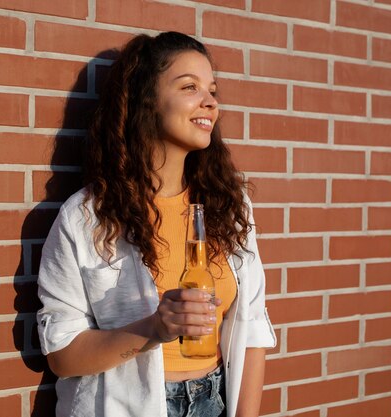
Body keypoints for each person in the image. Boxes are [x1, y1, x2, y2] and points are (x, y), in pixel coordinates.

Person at [36, 31, 276, 417]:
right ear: (147, 100)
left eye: (212, 90)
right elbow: (62, 355)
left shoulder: (230, 206)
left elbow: (252, 329)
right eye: (190, 87)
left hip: (213, 401)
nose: (210, 102)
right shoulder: (86, 217)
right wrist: (153, 329)